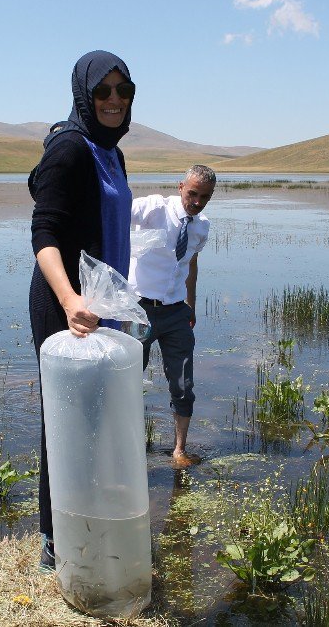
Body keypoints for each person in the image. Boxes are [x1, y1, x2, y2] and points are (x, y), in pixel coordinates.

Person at [28, 50, 136, 570]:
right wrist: (71, 301)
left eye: (123, 91)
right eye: (103, 92)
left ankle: (85, 513)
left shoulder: (112, 151)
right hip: (63, 305)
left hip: (101, 307)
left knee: (97, 419)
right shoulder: (70, 148)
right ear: (84, 96)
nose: (114, 100)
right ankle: (54, 538)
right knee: (65, 418)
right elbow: (44, 234)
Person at [128, 165, 216, 469]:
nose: (196, 201)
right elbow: (113, 212)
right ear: (180, 187)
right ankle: (124, 446)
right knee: (126, 379)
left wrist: (191, 305)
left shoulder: (202, 226)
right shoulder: (153, 208)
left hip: (176, 311)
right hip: (138, 309)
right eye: (192, 193)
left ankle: (179, 449)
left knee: (182, 384)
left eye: (204, 196)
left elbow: (190, 266)